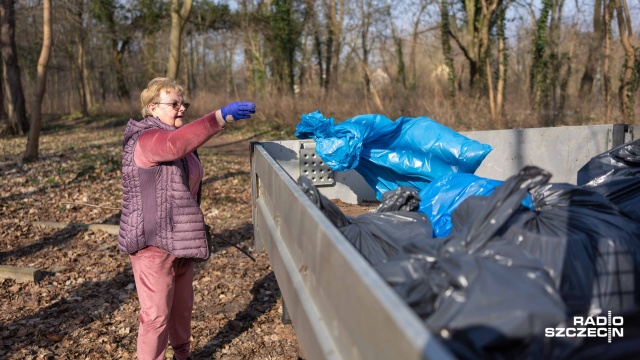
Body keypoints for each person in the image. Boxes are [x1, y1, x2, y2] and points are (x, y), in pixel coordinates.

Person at [118, 77, 256, 360]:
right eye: (174, 104)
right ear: (152, 108)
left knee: (181, 312)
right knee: (156, 318)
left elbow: (183, 182)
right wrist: (219, 117)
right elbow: (174, 145)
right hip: (152, 245)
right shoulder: (146, 140)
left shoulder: (178, 140)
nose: (181, 109)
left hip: (180, 240)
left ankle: (183, 356)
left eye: (184, 103)